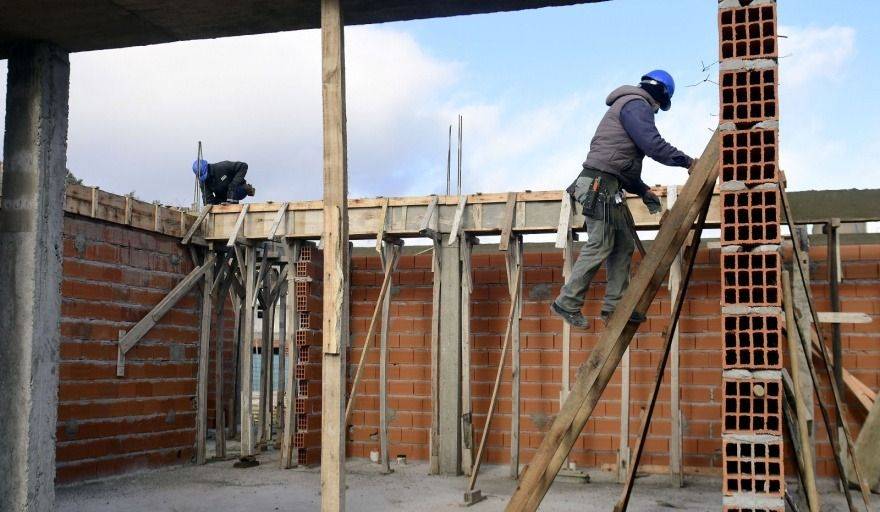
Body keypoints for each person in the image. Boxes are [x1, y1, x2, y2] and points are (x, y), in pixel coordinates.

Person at [551, 70, 695, 329]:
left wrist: (642, 190)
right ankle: (567, 302)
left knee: (622, 245)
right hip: (598, 184)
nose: (657, 110)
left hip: (607, 184)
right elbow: (653, 145)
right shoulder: (636, 104)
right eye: (660, 105)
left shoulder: (630, 105)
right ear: (660, 94)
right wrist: (687, 162)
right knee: (601, 243)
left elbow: (621, 165)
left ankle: (615, 308)